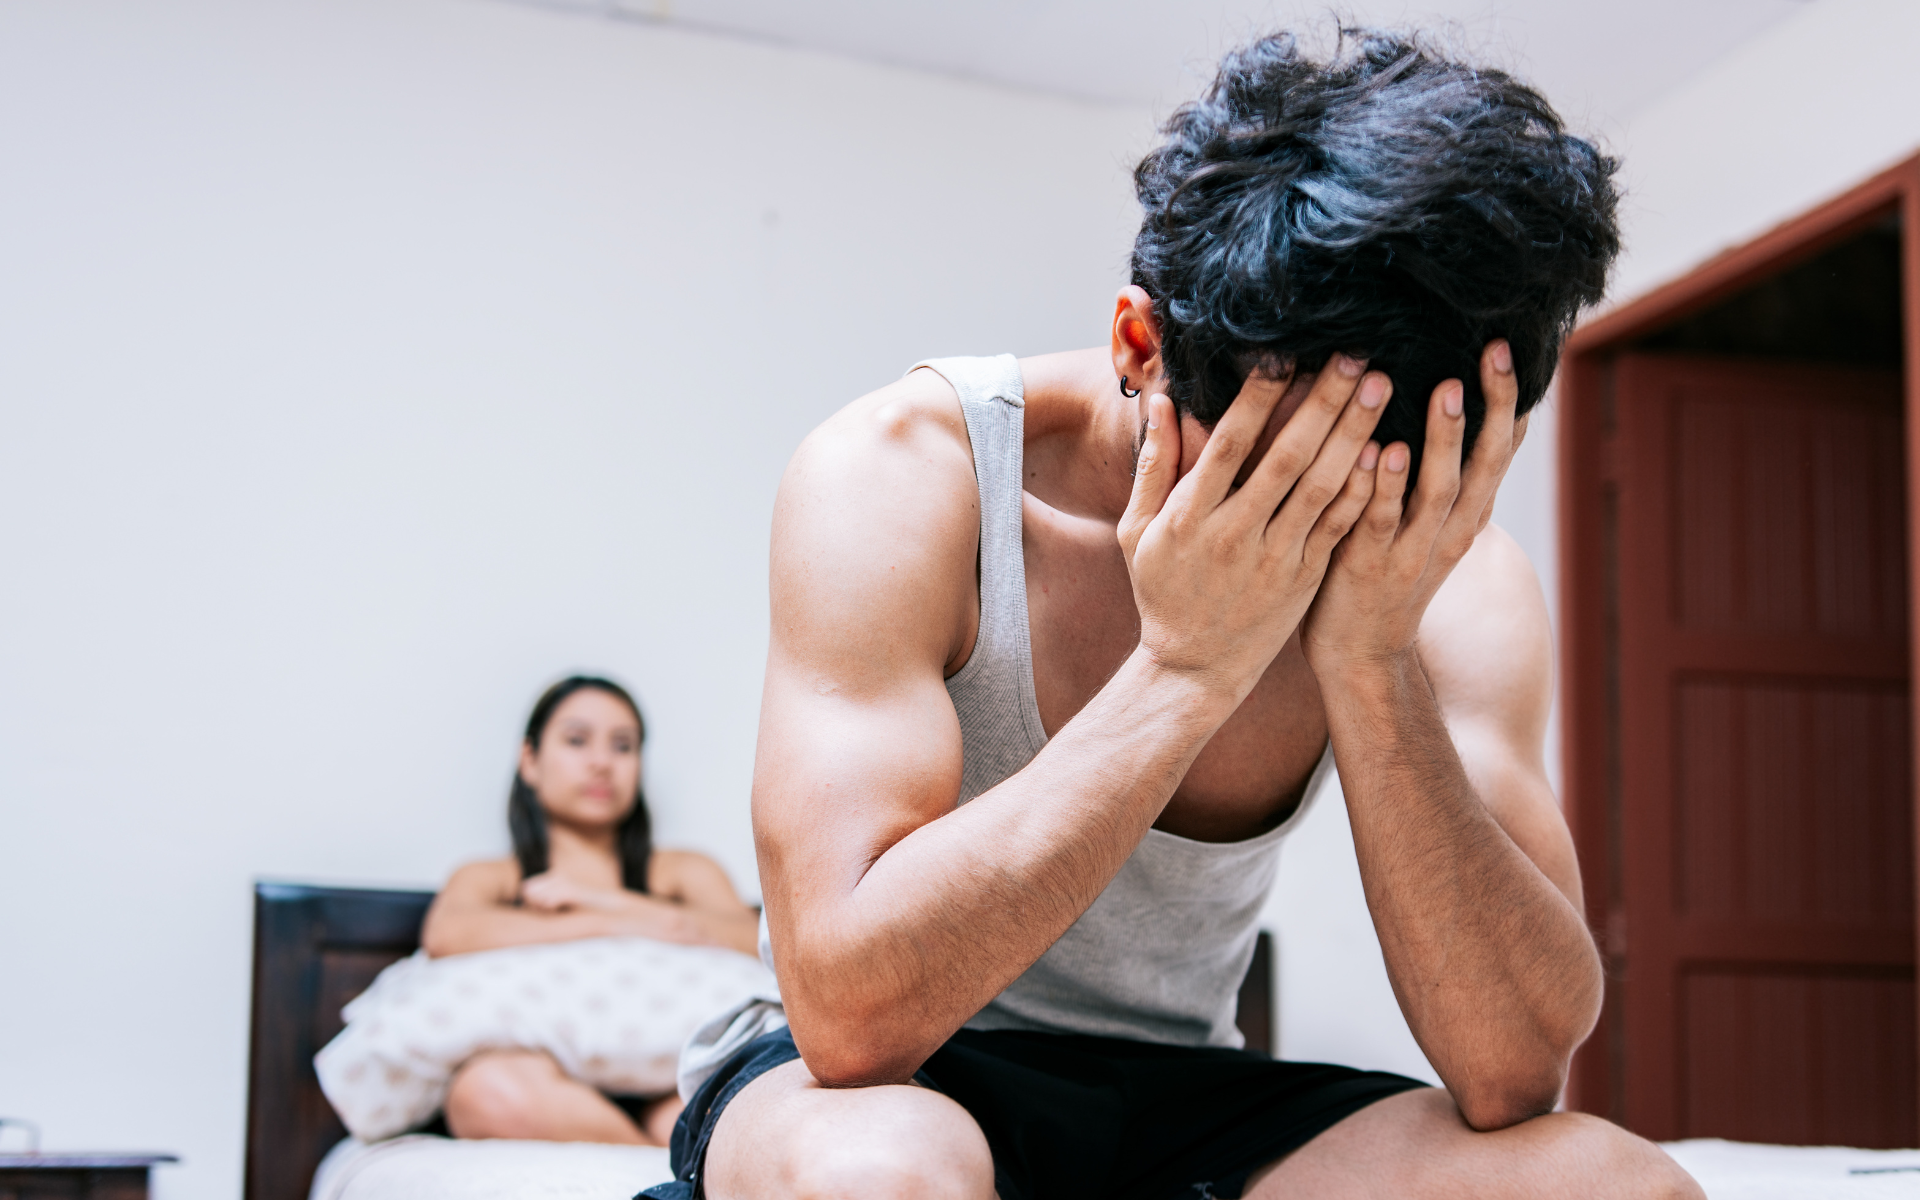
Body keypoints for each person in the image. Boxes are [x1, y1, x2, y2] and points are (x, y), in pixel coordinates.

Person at [647, 28, 1705, 1200]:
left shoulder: (1448, 570)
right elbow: (849, 1015)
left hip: (1179, 1092)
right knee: (885, 1178)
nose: (1328, 522)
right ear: (1140, 347)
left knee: (1617, 1187)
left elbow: (1513, 1074)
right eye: (1281, 473)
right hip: (872, 1078)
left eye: (1384, 485)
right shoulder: (904, 476)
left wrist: (1373, 657)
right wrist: (1184, 669)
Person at [420, 675, 759, 1146]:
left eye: (623, 746)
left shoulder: (684, 870)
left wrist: (614, 902)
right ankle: (652, 1161)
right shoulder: (492, 877)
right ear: (530, 760)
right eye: (577, 741)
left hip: (670, 1075)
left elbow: (754, 942)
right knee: (485, 1092)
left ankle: (658, 1156)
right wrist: (602, 921)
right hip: (544, 1077)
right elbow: (445, 935)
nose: (601, 763)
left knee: (713, 1113)